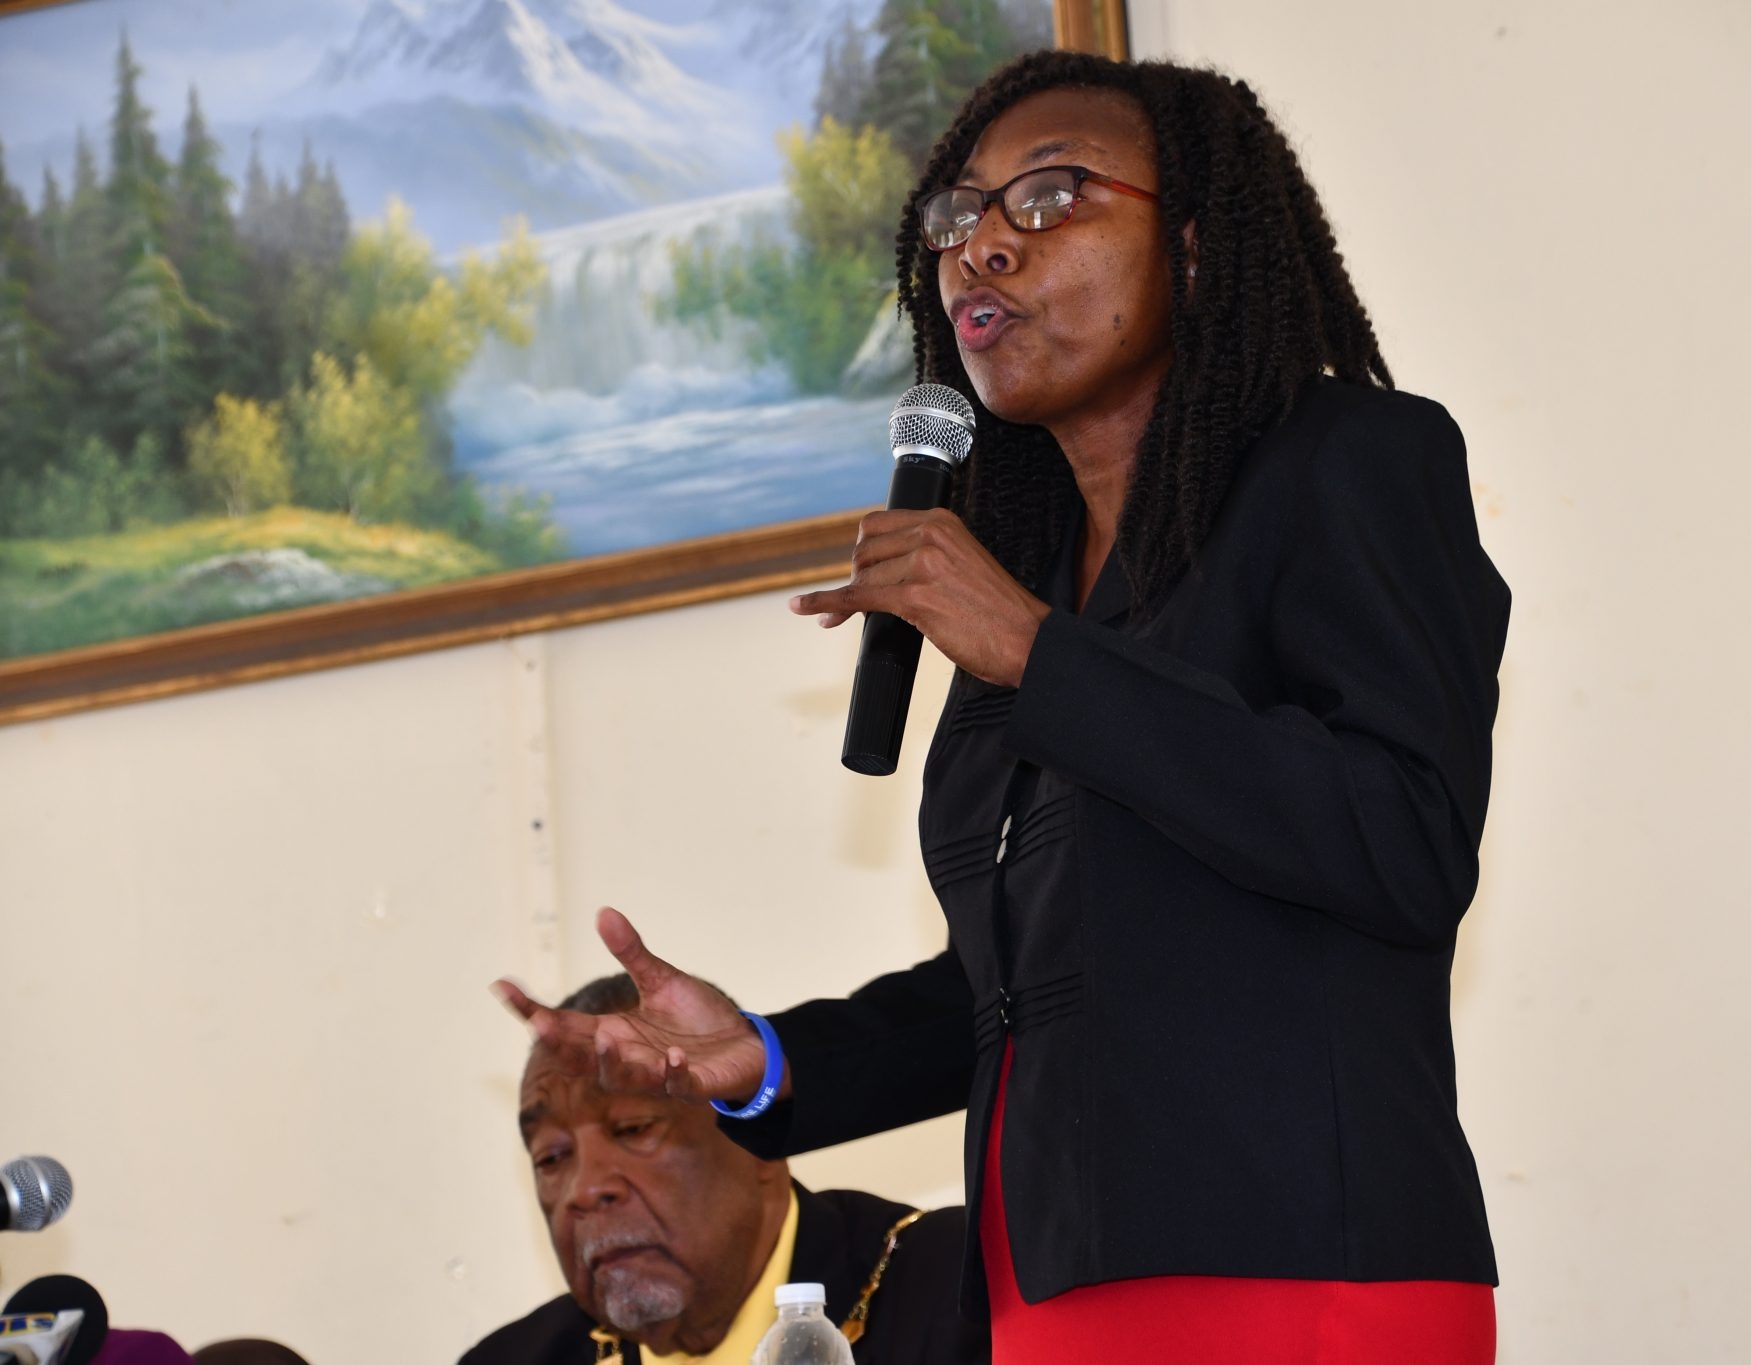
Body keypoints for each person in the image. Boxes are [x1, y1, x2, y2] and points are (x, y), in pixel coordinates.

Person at [497, 49, 1510, 1365]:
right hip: (1046, 1293)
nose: (982, 248)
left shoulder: (1348, 465)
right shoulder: (1027, 588)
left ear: (1197, 248)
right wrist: (755, 1061)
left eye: (1047, 198)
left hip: (1298, 1270)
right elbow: (1004, 996)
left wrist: (1043, 658)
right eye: (958, 216)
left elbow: (1404, 840)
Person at [464, 975, 986, 1365]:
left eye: (633, 1129)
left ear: (756, 1143)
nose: (587, 1188)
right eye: (552, 1157)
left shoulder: (965, 1294)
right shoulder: (515, 1359)